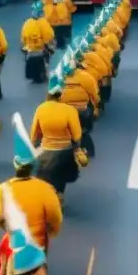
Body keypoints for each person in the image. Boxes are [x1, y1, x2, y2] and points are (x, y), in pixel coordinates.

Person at [0, 113, 63, 275]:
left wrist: (6, 226)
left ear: (15, 165)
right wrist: (50, 232)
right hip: (37, 246)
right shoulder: (45, 189)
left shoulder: (3, 189)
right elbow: (55, 219)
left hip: (13, 247)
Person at [30, 71, 85, 203]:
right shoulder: (69, 110)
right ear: (61, 94)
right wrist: (77, 149)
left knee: (43, 176)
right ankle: (59, 195)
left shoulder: (41, 109)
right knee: (61, 176)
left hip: (46, 150)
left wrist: (34, 147)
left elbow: (34, 135)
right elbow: (77, 136)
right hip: (64, 152)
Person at [21, 1, 54, 83]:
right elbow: (49, 36)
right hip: (40, 49)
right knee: (48, 55)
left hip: (29, 49)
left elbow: (22, 38)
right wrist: (49, 46)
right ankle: (45, 73)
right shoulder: (43, 22)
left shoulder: (27, 23)